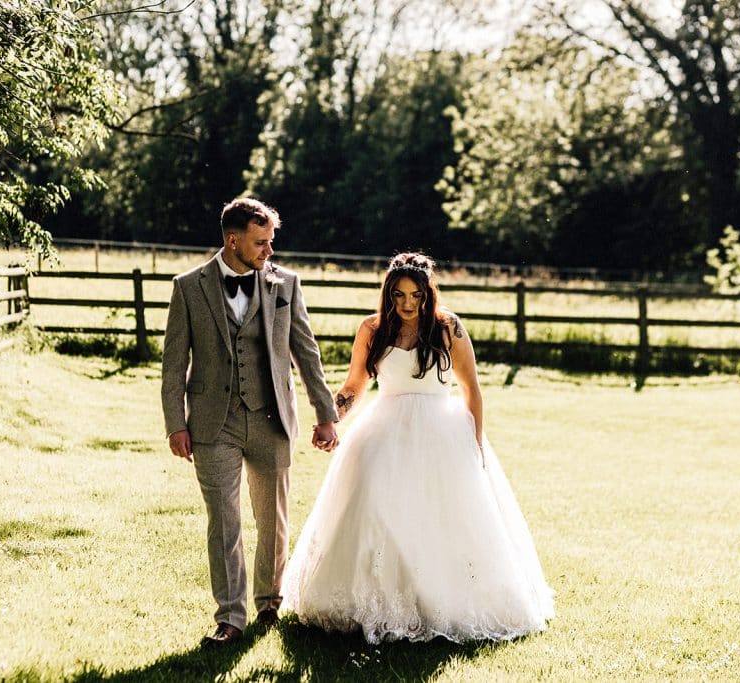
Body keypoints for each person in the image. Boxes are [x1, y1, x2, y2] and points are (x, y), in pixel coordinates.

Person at [281, 252, 554, 643]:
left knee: (440, 515)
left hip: (441, 432)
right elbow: (355, 385)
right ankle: (378, 603)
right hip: (384, 428)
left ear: (429, 294)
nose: (407, 304)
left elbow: (471, 389)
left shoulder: (448, 329)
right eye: (398, 295)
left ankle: (435, 604)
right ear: (388, 295)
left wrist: (474, 444)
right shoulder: (372, 330)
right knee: (372, 503)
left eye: (415, 296)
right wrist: (331, 416)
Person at [161, 197, 339, 647]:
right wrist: (174, 423)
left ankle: (270, 602)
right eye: (260, 243)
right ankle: (231, 617)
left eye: (271, 242)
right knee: (224, 520)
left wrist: (325, 415)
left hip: (271, 418)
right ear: (232, 240)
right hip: (211, 423)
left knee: (272, 520)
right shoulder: (188, 287)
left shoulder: (286, 285)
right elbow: (173, 363)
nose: (268, 251)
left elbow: (307, 352)